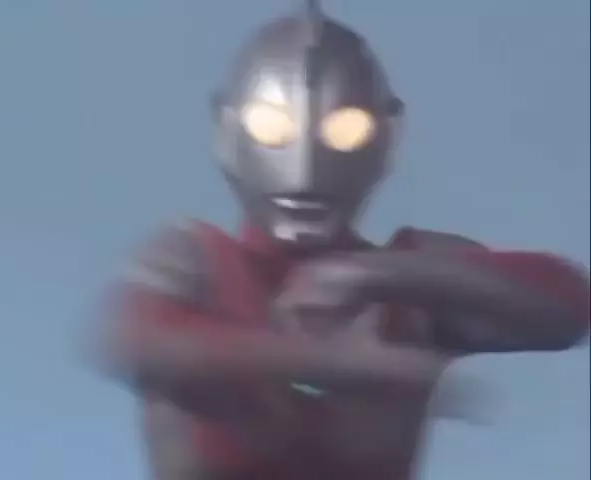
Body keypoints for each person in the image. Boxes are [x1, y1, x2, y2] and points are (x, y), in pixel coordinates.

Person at [95, 2, 590, 479]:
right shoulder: (193, 260)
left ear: (387, 133)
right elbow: (136, 340)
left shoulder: (409, 284)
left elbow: (570, 304)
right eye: (271, 128)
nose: (303, 169)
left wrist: (376, 275)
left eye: (346, 130)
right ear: (229, 127)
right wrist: (337, 364)